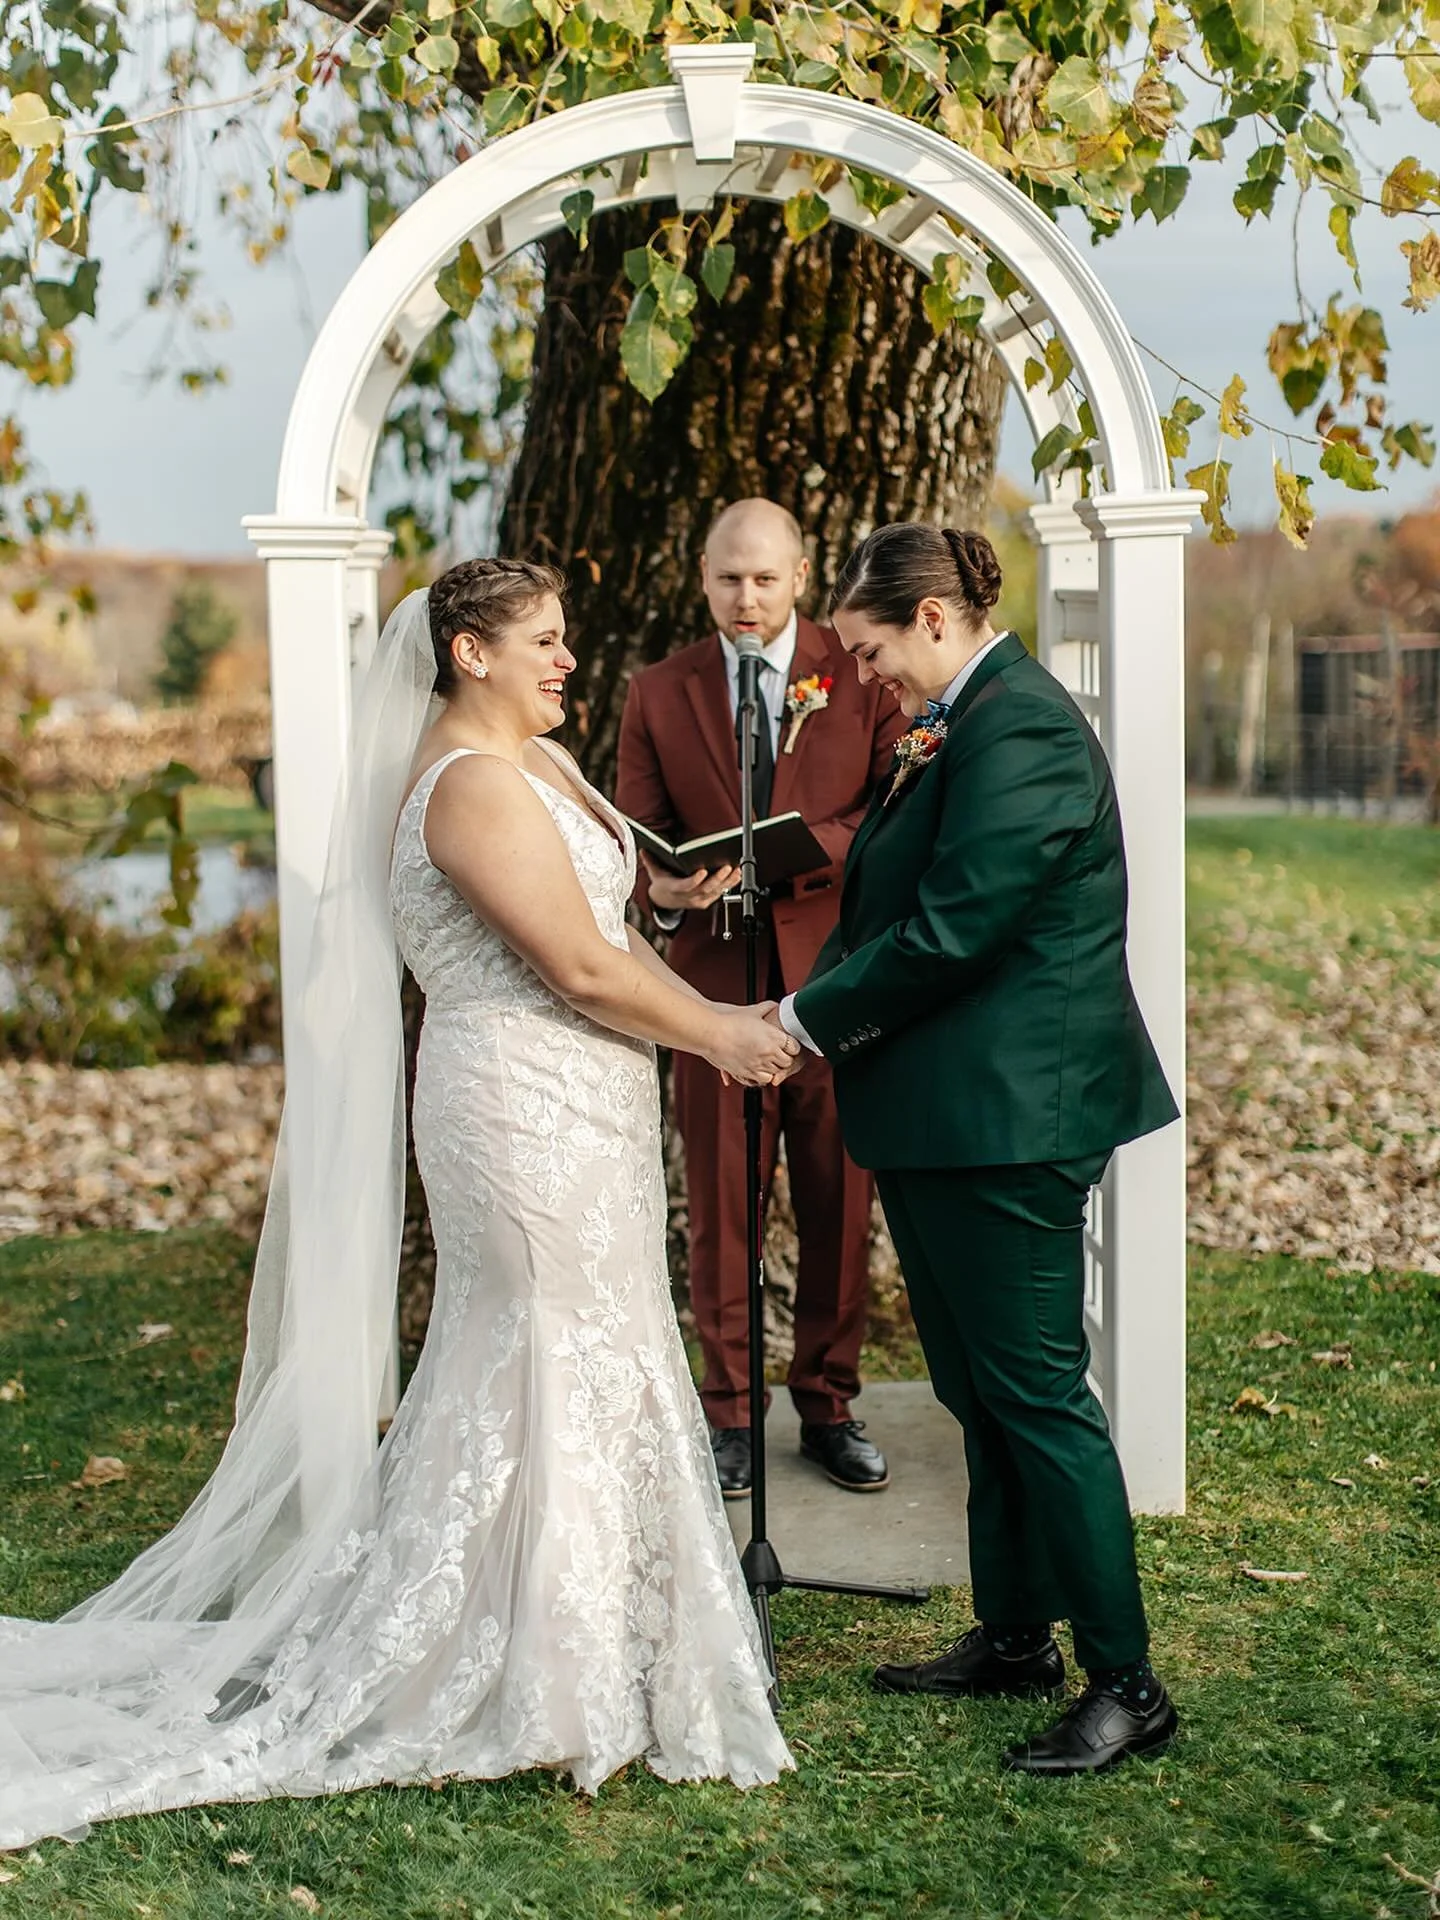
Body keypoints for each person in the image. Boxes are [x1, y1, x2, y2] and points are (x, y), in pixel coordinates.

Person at [0, 559, 795, 1852]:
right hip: (517, 1106)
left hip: (590, 1106)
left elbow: (613, 912)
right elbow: (581, 968)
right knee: (537, 1348)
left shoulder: (540, 761)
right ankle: (535, 1676)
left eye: (564, 639)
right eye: (540, 642)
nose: (566, 661)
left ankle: (584, 1646)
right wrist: (721, 1034)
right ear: (468, 653)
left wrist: (669, 900)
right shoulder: (470, 786)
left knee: (592, 1347)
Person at [775, 524, 1181, 1777]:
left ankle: (1130, 1683)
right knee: (980, 1396)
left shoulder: (1028, 732)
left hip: (1012, 1123)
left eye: (875, 649)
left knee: (1043, 1400)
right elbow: (885, 907)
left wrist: (800, 1021)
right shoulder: (960, 719)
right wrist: (798, 1012)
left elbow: (955, 932)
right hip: (945, 1118)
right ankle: (1016, 1637)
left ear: (937, 616)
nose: (868, 679)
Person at [617, 500, 905, 1499]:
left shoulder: (860, 670)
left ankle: (828, 1404)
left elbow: (892, 809)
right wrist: (659, 889)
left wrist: (791, 852)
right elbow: (636, 841)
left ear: (800, 575)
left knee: (838, 1201)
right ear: (704, 576)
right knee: (724, 1210)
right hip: (708, 991)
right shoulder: (658, 691)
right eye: (729, 578)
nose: (747, 597)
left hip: (837, 982)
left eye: (766, 579)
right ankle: (730, 1412)